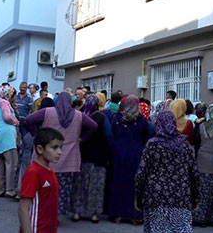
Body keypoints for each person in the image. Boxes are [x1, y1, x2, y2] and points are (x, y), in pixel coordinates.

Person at [24, 91, 97, 217]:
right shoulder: (79, 115)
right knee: (61, 189)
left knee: (43, 188)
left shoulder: (47, 112)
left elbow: (28, 121)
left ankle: (41, 211)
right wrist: (82, 138)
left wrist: (36, 135)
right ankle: (56, 213)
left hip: (46, 159)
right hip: (68, 159)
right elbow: (93, 126)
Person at [135, 110, 199, 233]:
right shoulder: (184, 145)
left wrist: (138, 197)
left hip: (156, 197)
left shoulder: (152, 145)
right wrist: (195, 198)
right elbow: (194, 173)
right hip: (181, 196)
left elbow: (142, 173)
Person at [106, 95, 155, 225]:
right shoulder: (141, 120)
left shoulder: (117, 118)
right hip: (136, 153)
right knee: (134, 184)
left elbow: (112, 135)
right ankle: (135, 215)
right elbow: (145, 137)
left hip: (119, 153)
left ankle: (117, 214)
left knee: (118, 182)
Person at [72, 93, 110, 223]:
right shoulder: (101, 117)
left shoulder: (79, 116)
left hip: (82, 154)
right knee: (96, 185)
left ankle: (77, 211)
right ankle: (94, 213)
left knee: (80, 183)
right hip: (99, 156)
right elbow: (108, 135)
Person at [19, 127, 64, 233]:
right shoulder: (34, 173)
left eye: (61, 148)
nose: (59, 152)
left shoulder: (50, 171)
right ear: (40, 149)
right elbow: (23, 208)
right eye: (54, 148)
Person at [0, 86, 20, 198]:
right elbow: (7, 117)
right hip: (7, 136)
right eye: (14, 95)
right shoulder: (4, 103)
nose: (15, 97)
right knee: (11, 163)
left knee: (0, 164)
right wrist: (15, 122)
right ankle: (10, 189)